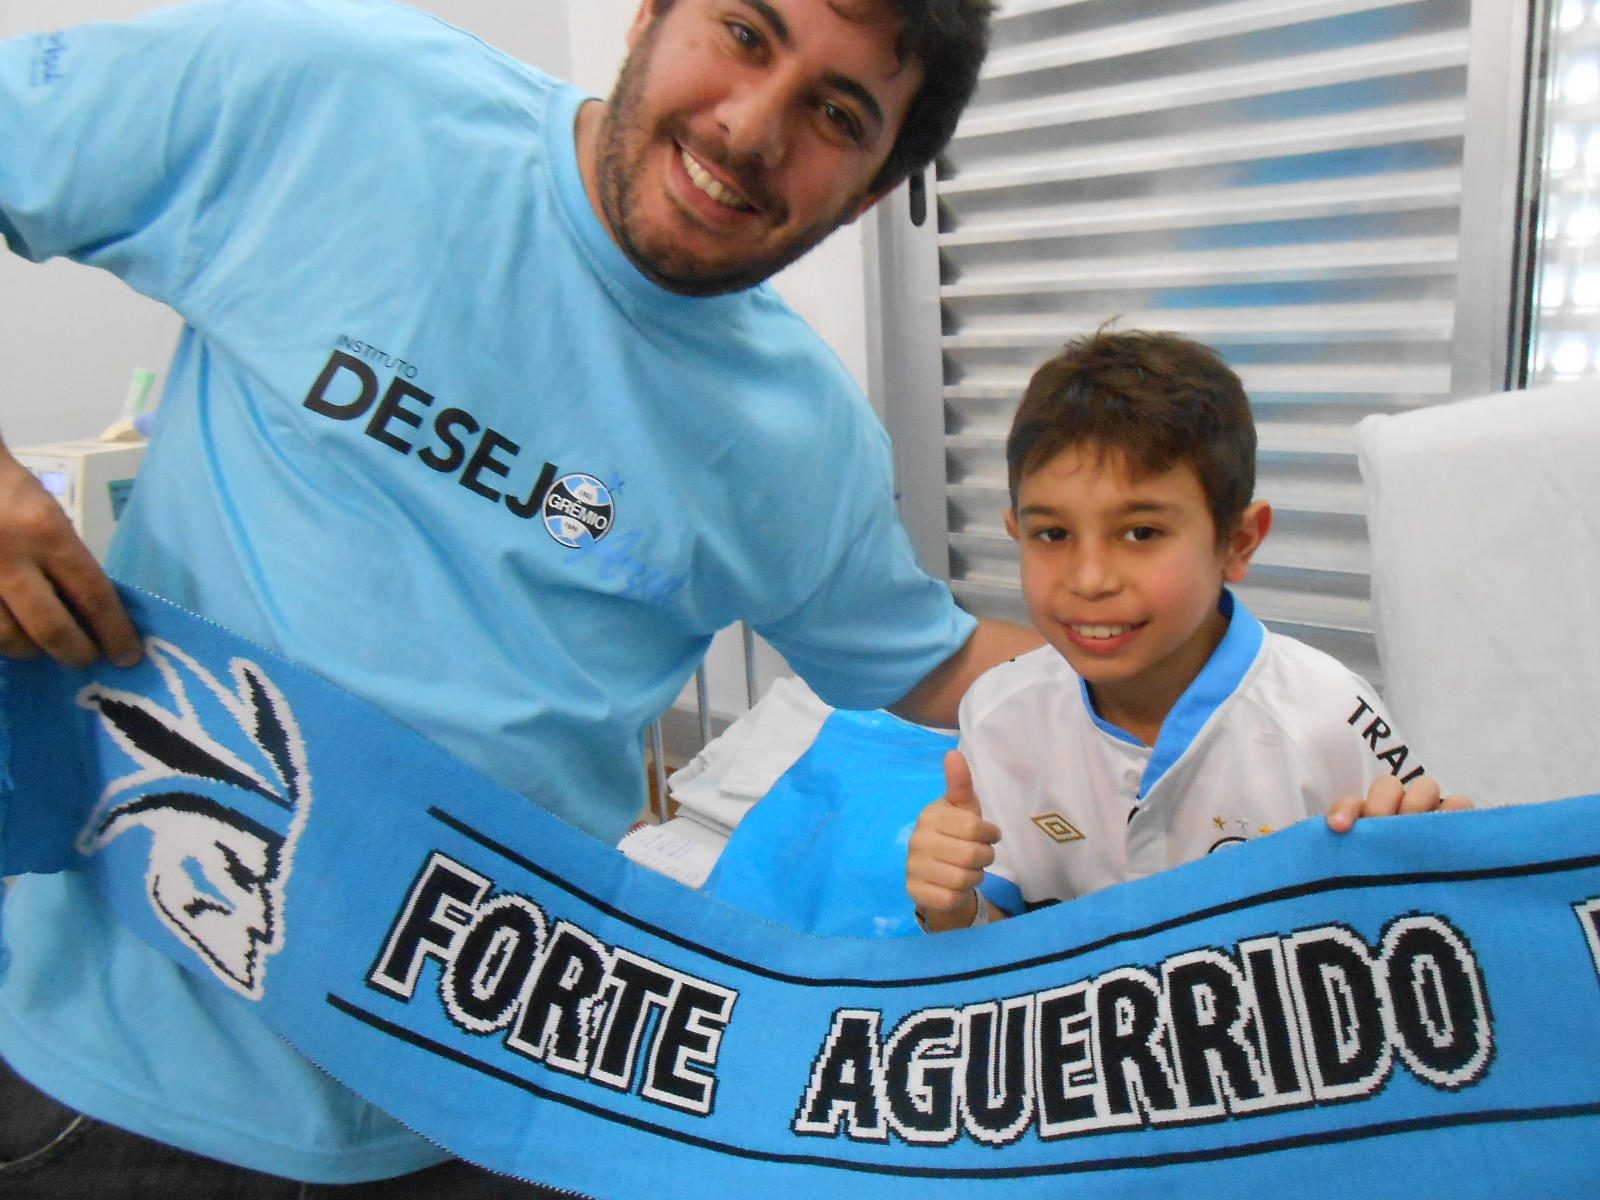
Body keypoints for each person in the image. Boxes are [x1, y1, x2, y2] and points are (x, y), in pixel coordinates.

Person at [0, 0, 1041, 1192]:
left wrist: (1252, 705)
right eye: (747, 34)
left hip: (493, 1107)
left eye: (837, 113)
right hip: (115, 1087)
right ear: (651, 13)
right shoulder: (337, 95)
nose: (754, 125)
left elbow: (932, 668)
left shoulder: (800, 442)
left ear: (867, 195)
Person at [906, 329, 1471, 934]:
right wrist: (951, 905)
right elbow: (992, 953)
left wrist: (1432, 878)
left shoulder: (1331, 715)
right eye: (1053, 534)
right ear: (1016, 533)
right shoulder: (1000, 713)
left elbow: (1430, 914)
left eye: (1141, 533)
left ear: (1239, 541)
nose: (1090, 579)